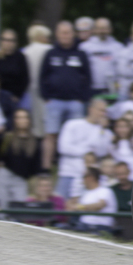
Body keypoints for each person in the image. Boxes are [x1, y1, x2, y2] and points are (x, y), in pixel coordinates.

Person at [39, 21, 92, 171]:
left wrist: (82, 98)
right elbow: (42, 77)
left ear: (73, 34)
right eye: (62, 32)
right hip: (54, 101)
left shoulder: (81, 54)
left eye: (68, 32)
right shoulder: (50, 53)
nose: (65, 36)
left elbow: (88, 78)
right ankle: (46, 168)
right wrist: (46, 97)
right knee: (51, 135)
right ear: (57, 34)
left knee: (76, 136)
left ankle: (75, 168)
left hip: (75, 102)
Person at [55, 98, 113, 198]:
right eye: (100, 110)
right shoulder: (72, 124)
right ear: (91, 109)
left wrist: (102, 130)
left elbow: (101, 152)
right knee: (62, 205)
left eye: (105, 111)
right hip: (69, 173)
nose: (103, 114)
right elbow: (63, 148)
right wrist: (88, 152)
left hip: (91, 177)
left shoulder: (106, 133)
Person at [0, 110, 42, 209]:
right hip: (5, 175)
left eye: (25, 117)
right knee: (2, 207)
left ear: (29, 120)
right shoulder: (8, 137)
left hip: (21, 179)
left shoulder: (35, 141)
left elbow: (37, 164)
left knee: (19, 208)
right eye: (19, 118)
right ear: (15, 120)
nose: (22, 120)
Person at [79, 18, 124, 95]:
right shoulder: (84, 47)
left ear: (110, 29)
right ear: (94, 30)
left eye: (105, 28)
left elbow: (121, 69)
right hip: (91, 88)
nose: (102, 31)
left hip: (112, 89)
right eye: (99, 28)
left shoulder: (118, 47)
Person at [22, 24, 52, 137]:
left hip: (29, 90)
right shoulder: (49, 49)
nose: (48, 39)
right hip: (47, 91)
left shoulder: (25, 51)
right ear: (40, 37)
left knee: (34, 122)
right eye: (47, 37)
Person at [68, 167, 117, 234]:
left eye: (84, 176)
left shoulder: (105, 190)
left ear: (91, 177)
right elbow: (71, 206)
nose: (82, 179)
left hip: (100, 227)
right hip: (83, 225)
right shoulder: (86, 193)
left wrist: (78, 207)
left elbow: (99, 205)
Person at [0, 29, 29, 101]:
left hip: (15, 96)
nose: (8, 43)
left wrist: (17, 96)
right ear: (1, 41)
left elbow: (25, 78)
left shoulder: (20, 57)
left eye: (11, 40)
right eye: (6, 40)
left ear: (15, 42)